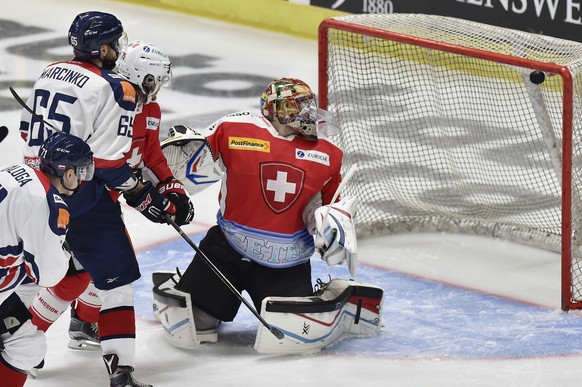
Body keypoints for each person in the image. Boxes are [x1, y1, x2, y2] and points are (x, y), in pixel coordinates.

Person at [18, 12, 179, 387]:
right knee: (117, 280)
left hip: (32, 186)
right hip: (80, 195)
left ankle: (22, 342)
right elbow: (107, 162)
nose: (118, 51)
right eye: (115, 44)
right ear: (102, 48)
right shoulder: (115, 88)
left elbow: (28, 130)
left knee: (69, 271)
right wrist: (140, 192)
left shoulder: (49, 71)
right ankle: (120, 371)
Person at [151, 78, 359, 348]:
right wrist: (164, 180)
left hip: (287, 262)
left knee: (293, 335)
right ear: (275, 109)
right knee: (194, 325)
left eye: (309, 104)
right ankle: (197, 289)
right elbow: (193, 164)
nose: (308, 112)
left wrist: (329, 229)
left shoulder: (328, 153)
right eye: (298, 106)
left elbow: (322, 208)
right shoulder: (235, 129)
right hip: (227, 250)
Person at [0, 132, 93, 387]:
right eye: (82, 171)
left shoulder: (16, 169)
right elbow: (48, 275)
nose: (83, 179)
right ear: (69, 173)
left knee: (25, 285)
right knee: (28, 347)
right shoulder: (49, 203)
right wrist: (62, 251)